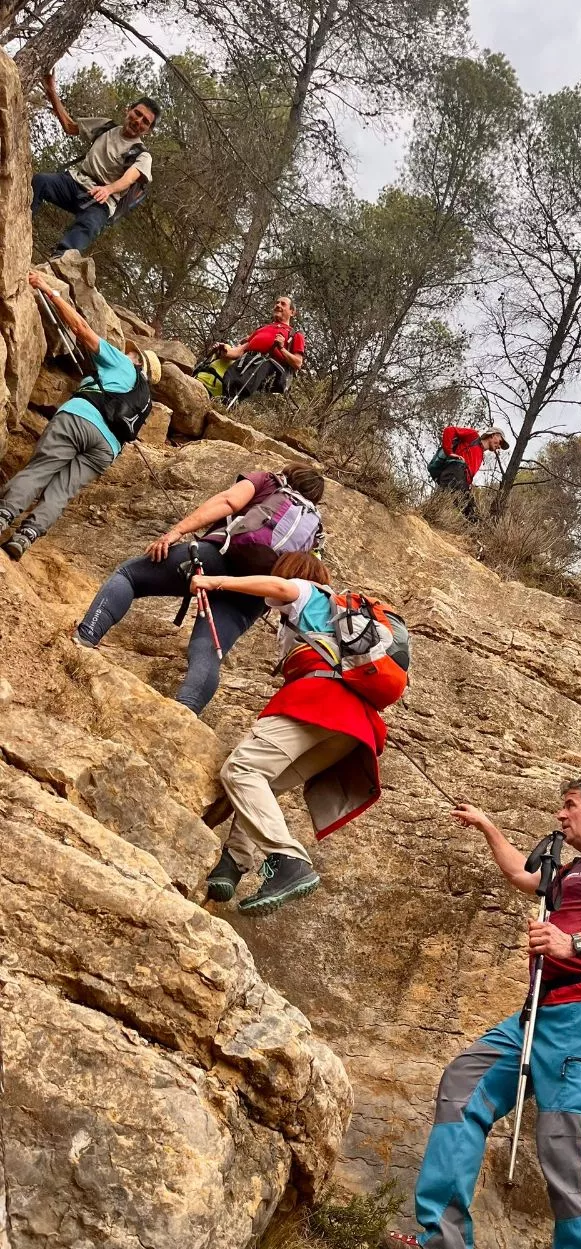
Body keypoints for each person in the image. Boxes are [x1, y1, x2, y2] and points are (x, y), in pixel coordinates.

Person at [381, 775, 581, 1249]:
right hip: (538, 1014)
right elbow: (521, 873)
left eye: (569, 805)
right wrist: (488, 827)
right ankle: (441, 1248)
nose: (560, 815)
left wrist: (572, 945)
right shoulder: (572, 869)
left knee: (570, 1155)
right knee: (464, 1086)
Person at [196, 552, 386, 915]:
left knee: (242, 770)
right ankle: (232, 864)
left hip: (318, 702)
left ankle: (288, 862)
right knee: (261, 784)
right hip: (350, 727)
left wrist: (214, 581)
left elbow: (281, 586)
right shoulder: (334, 616)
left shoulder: (307, 591)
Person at [73, 464, 325, 713]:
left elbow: (228, 502)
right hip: (254, 591)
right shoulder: (314, 529)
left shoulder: (269, 482)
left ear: (289, 475)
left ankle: (85, 637)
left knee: (130, 575)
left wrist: (176, 532)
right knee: (210, 648)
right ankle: (186, 713)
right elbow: (305, 577)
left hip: (217, 558)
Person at [0, 272, 161, 560]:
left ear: (139, 362)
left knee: (41, 470)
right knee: (62, 490)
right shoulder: (145, 400)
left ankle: (3, 515)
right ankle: (25, 538)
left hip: (80, 419)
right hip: (105, 449)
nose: (130, 353)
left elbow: (81, 328)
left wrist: (50, 291)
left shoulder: (124, 365)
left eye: (134, 353)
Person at [32, 70, 158, 257]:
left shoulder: (142, 155)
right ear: (128, 110)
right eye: (137, 113)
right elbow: (69, 126)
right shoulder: (106, 126)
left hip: (102, 200)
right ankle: (15, 222)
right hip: (75, 182)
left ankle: (60, 261)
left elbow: (130, 178)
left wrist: (108, 189)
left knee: (89, 224)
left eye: (145, 121)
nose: (138, 121)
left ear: (148, 130)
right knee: (40, 181)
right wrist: (52, 92)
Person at [195, 297, 306, 401]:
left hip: (271, 367)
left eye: (283, 304)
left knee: (245, 376)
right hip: (248, 359)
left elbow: (298, 363)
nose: (277, 305)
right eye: (277, 303)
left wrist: (282, 349)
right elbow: (241, 350)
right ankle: (211, 395)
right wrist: (225, 350)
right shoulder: (263, 328)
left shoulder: (294, 334)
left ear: (292, 312)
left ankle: (228, 404)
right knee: (228, 373)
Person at [432, 425, 509, 523]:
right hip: (454, 472)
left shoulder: (481, 455)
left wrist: (469, 484)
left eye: (501, 446)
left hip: (460, 479)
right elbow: (449, 430)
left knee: (468, 512)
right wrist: (449, 452)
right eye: (500, 442)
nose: (499, 446)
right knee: (472, 513)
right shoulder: (473, 436)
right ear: (493, 435)